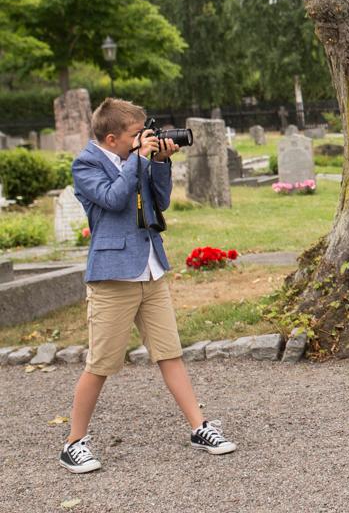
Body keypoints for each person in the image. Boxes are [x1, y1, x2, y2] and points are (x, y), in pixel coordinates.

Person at [60, 98, 236, 474]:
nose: (146, 138)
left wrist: (158, 162)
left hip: (151, 270)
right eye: (137, 134)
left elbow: (161, 202)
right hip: (113, 277)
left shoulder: (135, 157)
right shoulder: (86, 164)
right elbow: (113, 198)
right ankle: (74, 442)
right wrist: (139, 159)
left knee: (170, 353)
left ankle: (199, 427)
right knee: (101, 363)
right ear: (111, 138)